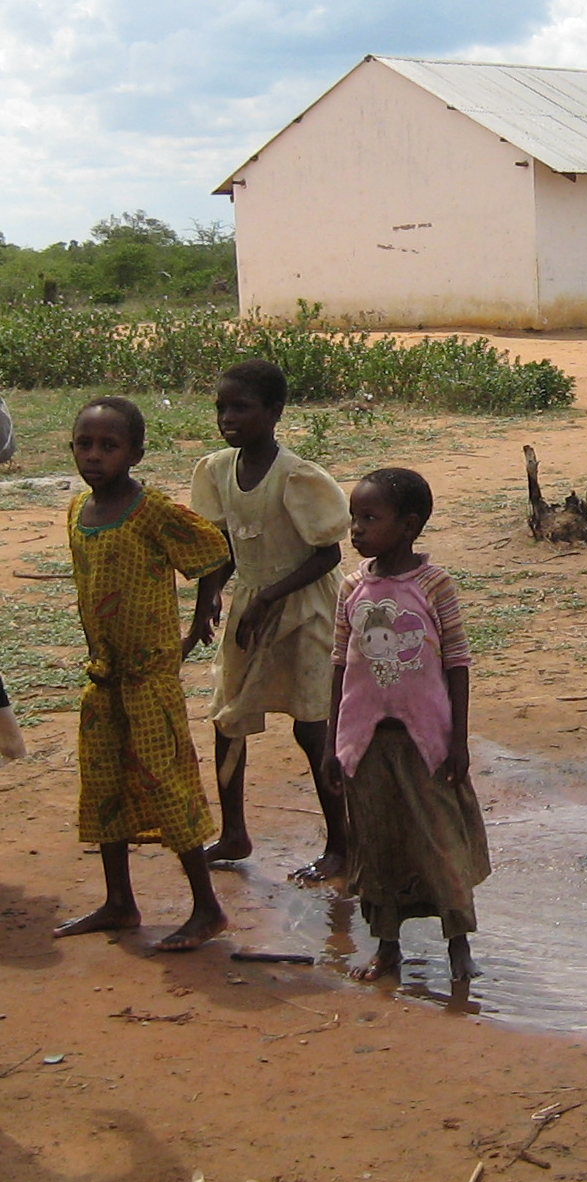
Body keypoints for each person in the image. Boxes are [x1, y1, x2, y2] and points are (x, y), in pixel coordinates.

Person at [52, 397, 235, 951]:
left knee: (167, 783)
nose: (94, 455)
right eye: (85, 444)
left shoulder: (150, 509)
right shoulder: (77, 510)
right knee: (104, 784)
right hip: (103, 676)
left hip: (149, 679)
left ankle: (207, 908)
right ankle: (119, 901)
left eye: (109, 446)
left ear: (136, 452)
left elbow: (212, 549)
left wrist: (204, 611)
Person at [322, 468, 488, 984]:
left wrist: (458, 740)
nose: (357, 529)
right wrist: (332, 741)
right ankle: (387, 947)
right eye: (354, 518)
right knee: (378, 844)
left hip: (425, 741)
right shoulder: (352, 587)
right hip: (366, 740)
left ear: (409, 525)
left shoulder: (435, 585)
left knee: (439, 841)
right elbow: (339, 664)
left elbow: (456, 661)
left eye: (370, 518)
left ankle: (459, 949)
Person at [189, 360, 350, 876]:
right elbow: (225, 547)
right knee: (227, 716)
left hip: (306, 609)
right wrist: (209, 600)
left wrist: (268, 597)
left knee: (311, 725)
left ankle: (341, 844)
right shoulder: (217, 470)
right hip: (253, 605)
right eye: (221, 407)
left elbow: (328, 554)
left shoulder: (297, 476)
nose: (228, 417)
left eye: (241, 407)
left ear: (275, 412)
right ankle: (233, 834)